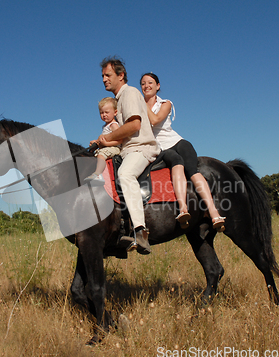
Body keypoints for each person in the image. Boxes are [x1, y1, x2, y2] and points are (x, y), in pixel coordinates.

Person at [140, 72, 226, 231]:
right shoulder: (137, 106)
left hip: (177, 143)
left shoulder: (165, 103)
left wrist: (142, 103)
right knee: (175, 166)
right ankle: (183, 209)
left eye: (150, 83)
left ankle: (214, 212)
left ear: (158, 86)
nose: (146, 86)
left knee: (192, 171)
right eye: (143, 83)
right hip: (159, 148)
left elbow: (155, 120)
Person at [96, 57, 160, 254]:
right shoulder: (119, 99)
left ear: (121, 75)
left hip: (141, 148)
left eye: (108, 75)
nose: (104, 79)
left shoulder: (130, 93)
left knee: (125, 174)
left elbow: (134, 125)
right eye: (102, 76)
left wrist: (107, 139)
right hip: (126, 150)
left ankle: (140, 231)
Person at [85, 97, 121, 185]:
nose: (104, 115)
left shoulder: (114, 125)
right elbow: (102, 139)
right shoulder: (105, 126)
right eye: (101, 113)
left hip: (115, 148)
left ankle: (98, 174)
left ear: (115, 112)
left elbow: (120, 140)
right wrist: (96, 142)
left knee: (101, 155)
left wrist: (106, 143)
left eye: (107, 112)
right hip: (108, 147)